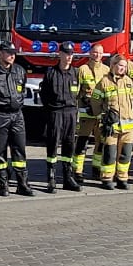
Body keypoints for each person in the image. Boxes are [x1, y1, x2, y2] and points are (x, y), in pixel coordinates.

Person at [0, 44, 33, 197]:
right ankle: (3, 184)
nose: (12, 56)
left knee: (19, 150)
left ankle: (22, 183)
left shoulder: (19, 70)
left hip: (17, 115)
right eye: (9, 53)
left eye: (14, 53)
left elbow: (22, 90)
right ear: (1, 54)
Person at [38, 43, 83, 192]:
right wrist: (50, 110)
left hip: (70, 112)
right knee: (52, 144)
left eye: (71, 54)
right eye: (66, 53)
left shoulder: (75, 73)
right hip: (55, 112)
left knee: (69, 145)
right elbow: (44, 94)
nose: (69, 57)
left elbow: (79, 93)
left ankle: (67, 177)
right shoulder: (51, 72)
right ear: (60, 54)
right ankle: (51, 178)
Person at [90, 54, 133, 190]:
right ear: (113, 65)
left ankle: (122, 178)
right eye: (120, 65)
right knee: (110, 154)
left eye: (125, 66)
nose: (123, 68)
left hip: (128, 126)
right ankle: (107, 178)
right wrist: (102, 118)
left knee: (125, 154)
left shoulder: (128, 81)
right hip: (111, 127)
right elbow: (95, 102)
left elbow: (132, 100)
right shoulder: (104, 82)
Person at [73, 48, 109, 183]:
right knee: (82, 142)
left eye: (100, 52)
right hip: (86, 112)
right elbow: (76, 91)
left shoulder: (107, 70)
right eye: (94, 52)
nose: (97, 55)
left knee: (101, 142)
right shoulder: (82, 69)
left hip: (100, 112)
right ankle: (77, 170)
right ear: (90, 53)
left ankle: (96, 168)